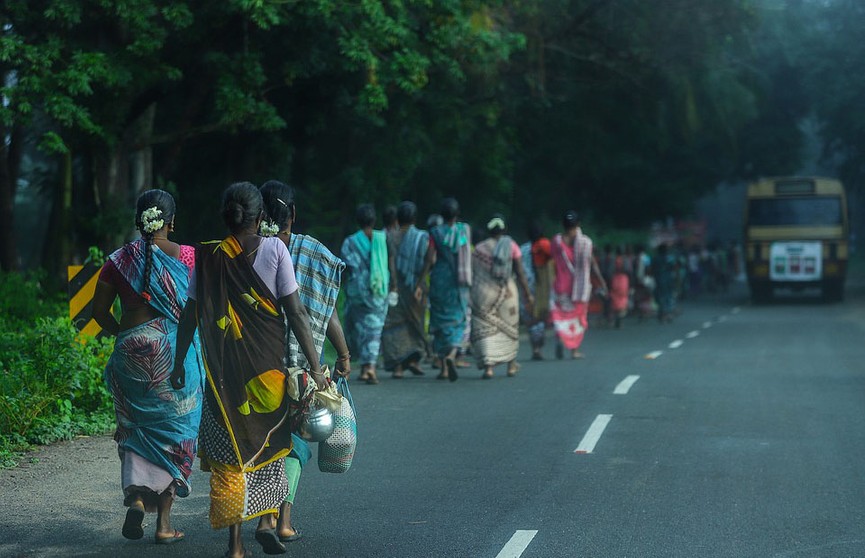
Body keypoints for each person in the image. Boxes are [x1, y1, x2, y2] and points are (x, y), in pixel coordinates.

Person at [170, 182, 326, 558]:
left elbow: (189, 315)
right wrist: (317, 368)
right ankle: (266, 522)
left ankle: (235, 546)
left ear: (227, 216)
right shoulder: (275, 250)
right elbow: (297, 314)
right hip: (267, 374)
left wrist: (178, 362)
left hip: (224, 378)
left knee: (229, 456)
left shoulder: (207, 257)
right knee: (270, 446)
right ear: (260, 217)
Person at [92, 189, 204, 545]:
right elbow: (199, 308)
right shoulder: (188, 256)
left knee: (136, 431)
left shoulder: (117, 260)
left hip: (130, 355)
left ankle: (138, 498)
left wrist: (125, 336)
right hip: (174, 355)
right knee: (175, 433)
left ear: (138, 220)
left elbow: (98, 313)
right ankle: (164, 525)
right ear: (171, 222)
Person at [259, 179, 351, 545]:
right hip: (300, 367)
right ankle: (282, 519)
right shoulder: (315, 254)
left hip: (255, 365)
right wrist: (341, 355)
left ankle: (262, 516)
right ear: (292, 214)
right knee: (295, 442)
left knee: (262, 441)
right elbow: (326, 311)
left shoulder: (246, 251)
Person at [414, 198, 472, 381]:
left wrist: (420, 281)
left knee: (439, 321)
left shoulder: (435, 232)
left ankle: (443, 368)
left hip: (440, 279)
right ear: (457, 215)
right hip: (459, 281)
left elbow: (430, 259)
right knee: (459, 319)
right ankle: (452, 355)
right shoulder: (464, 230)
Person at [470, 215, 533, 379]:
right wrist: (527, 293)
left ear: (489, 231)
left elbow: (473, 273)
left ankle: (489, 368)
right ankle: (511, 366)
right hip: (507, 294)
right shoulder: (511, 246)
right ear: (504, 230)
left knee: (485, 330)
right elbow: (519, 272)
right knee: (511, 329)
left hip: (483, 294)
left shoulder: (479, 249)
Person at [341, 204, 393, 385]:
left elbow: (346, 267)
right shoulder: (382, 238)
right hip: (378, 290)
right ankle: (369, 366)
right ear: (374, 220)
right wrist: (392, 285)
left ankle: (366, 367)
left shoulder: (350, 241)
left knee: (361, 329)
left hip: (357, 292)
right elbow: (390, 261)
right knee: (374, 330)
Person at [381, 201, 430, 378]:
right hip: (417, 288)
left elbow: (391, 262)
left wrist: (393, 284)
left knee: (394, 326)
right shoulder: (422, 237)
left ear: (398, 218)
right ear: (414, 218)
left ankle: (398, 366)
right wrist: (419, 284)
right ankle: (414, 361)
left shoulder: (390, 236)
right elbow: (429, 260)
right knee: (415, 323)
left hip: (396, 288)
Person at [550, 210, 607, 359]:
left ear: (563, 225)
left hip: (560, 286)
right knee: (577, 318)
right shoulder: (586, 242)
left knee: (561, 317)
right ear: (578, 224)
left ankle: (559, 339)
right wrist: (601, 281)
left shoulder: (556, 241)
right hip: (579, 288)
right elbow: (592, 264)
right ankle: (574, 350)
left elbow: (552, 262)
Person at [525, 221, 553, 360]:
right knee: (540, 318)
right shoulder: (545, 244)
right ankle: (538, 348)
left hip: (525, 288)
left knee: (531, 317)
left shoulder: (523, 248)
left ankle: (535, 348)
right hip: (540, 287)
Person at [609, 246, 631, 328]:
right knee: (623, 299)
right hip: (623, 280)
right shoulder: (626, 260)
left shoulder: (613, 260)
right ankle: (620, 318)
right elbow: (629, 270)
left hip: (615, 279)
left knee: (615, 299)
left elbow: (609, 271)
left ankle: (615, 317)